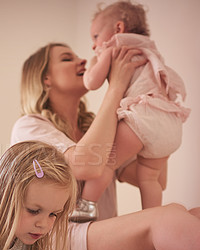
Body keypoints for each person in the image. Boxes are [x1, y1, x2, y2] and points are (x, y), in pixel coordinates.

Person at [12, 41, 147, 221]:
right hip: (63, 237)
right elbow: (87, 166)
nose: (83, 61)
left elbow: (152, 178)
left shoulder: (96, 129)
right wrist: (116, 87)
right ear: (46, 79)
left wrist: (153, 111)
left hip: (103, 234)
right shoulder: (29, 126)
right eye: (67, 59)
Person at [80, 1, 190, 216]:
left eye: (95, 36)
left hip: (143, 117)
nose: (94, 44)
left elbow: (91, 83)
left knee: (106, 164)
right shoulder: (149, 48)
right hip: (171, 123)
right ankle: (153, 219)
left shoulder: (114, 47)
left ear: (118, 29)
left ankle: (85, 207)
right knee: (149, 177)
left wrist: (95, 62)